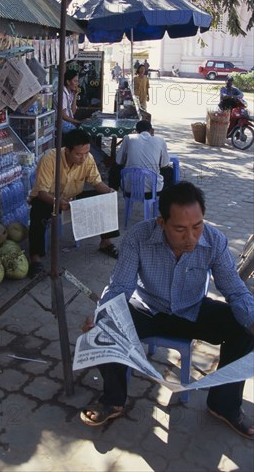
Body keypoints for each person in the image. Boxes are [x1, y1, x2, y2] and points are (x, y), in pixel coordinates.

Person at [80, 182, 254, 440]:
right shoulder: (139, 237)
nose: (192, 238)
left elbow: (235, 290)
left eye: (197, 226)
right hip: (147, 307)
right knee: (104, 328)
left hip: (192, 310)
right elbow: (121, 287)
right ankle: (113, 399)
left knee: (245, 328)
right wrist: (101, 315)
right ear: (162, 223)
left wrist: (251, 318)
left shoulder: (214, 241)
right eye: (180, 229)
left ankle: (224, 404)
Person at [28, 129, 120, 277]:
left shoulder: (87, 158)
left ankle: (106, 243)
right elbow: (42, 192)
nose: (83, 158)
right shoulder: (50, 159)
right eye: (78, 154)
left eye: (86, 152)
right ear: (67, 150)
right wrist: (58, 202)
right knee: (38, 210)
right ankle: (35, 258)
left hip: (73, 197)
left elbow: (96, 183)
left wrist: (109, 192)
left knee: (104, 199)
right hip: (50, 198)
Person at [109, 120, 173, 193]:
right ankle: (167, 199)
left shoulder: (128, 138)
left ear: (136, 131)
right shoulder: (160, 140)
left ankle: (112, 194)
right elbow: (164, 165)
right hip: (153, 189)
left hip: (129, 188)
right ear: (152, 131)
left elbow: (118, 161)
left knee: (114, 169)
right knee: (170, 171)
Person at [53, 69, 81, 135]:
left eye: (77, 81)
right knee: (78, 134)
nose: (77, 84)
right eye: (75, 81)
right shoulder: (62, 94)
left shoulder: (70, 93)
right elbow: (63, 116)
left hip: (68, 122)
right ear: (68, 82)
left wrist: (75, 96)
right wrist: (78, 121)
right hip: (61, 123)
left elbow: (73, 112)